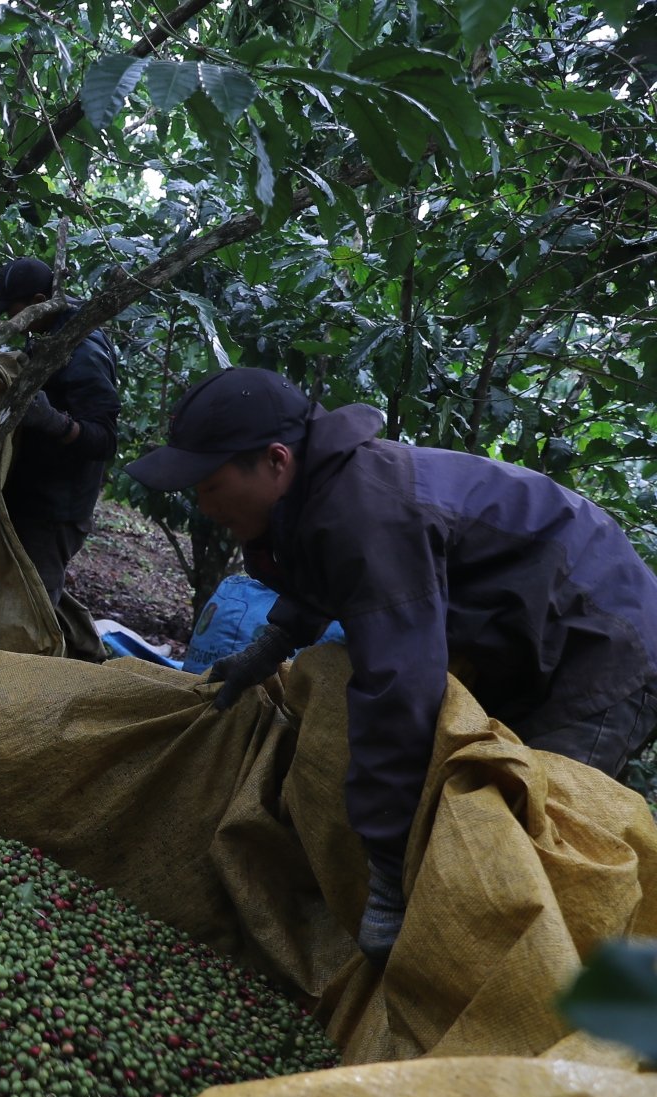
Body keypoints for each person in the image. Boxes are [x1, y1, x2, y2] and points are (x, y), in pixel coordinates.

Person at [126, 367, 657, 966]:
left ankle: (518, 1009)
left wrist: (383, 873)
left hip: (605, 644)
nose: (201, 502)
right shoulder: (318, 491)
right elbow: (323, 573)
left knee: (535, 830)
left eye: (210, 483)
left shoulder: (369, 511)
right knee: (468, 804)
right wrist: (270, 648)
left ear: (276, 461)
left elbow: (399, 691)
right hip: (530, 637)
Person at [0, 256, 121, 607]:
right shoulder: (47, 331)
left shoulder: (83, 352)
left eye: (13, 310)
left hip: (55, 511)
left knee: (31, 606)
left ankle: (34, 663)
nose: (11, 320)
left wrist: (53, 421)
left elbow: (105, 439)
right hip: (29, 494)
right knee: (5, 593)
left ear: (40, 303)